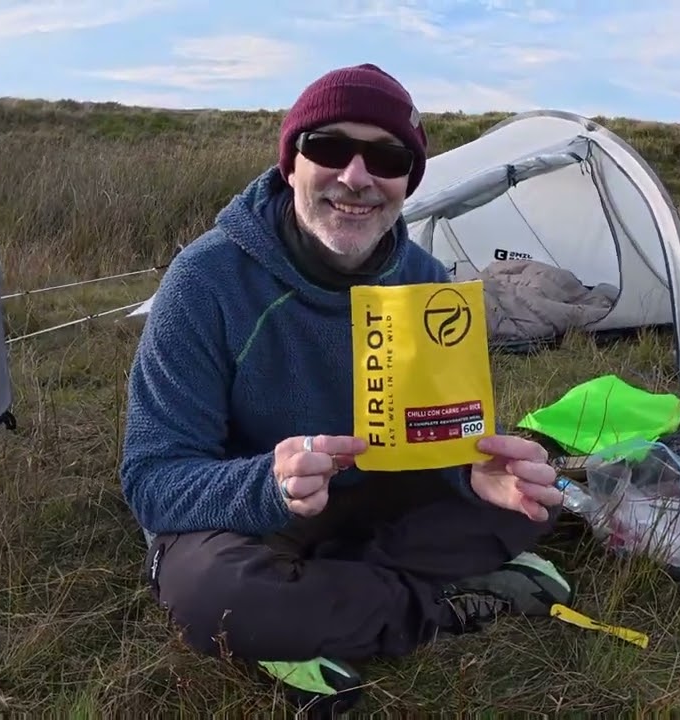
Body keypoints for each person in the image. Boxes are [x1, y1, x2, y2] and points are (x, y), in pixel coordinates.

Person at [119, 63, 573, 714]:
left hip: (373, 496)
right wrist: (267, 485)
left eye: (385, 158)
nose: (356, 177)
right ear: (291, 166)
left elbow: (442, 440)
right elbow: (153, 480)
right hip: (248, 521)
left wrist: (473, 477)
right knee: (215, 598)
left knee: (537, 495)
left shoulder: (426, 281)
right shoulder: (204, 281)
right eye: (329, 148)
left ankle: (322, 602)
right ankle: (440, 599)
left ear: (407, 182)